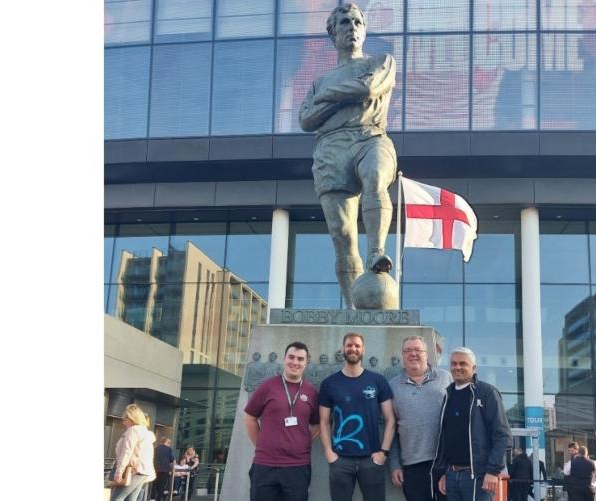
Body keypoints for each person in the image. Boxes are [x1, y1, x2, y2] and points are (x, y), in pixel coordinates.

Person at [299, 2, 399, 308]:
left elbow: (369, 88)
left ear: (365, 29)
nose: (352, 27)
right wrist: (340, 93)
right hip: (330, 148)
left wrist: (329, 98)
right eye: (344, 22)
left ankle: (376, 252)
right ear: (333, 33)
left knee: (375, 176)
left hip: (369, 136)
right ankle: (352, 308)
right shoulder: (318, 82)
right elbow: (306, 119)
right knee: (342, 236)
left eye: (357, 22)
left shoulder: (381, 61)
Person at [318, 332, 396, 501]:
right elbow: (324, 422)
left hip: (372, 459)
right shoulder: (329, 383)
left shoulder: (378, 381)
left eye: (357, 346)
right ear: (343, 349)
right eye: (349, 345)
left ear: (363, 350)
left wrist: (383, 452)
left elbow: (390, 419)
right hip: (340, 460)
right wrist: (328, 452)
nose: (353, 348)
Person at [244, 341, 320, 501]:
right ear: (284, 359)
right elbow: (250, 417)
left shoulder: (311, 392)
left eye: (300, 359)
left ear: (306, 363)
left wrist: (302, 441)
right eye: (291, 357)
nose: (295, 362)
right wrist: (262, 443)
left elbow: (317, 424)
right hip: (265, 465)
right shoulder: (267, 386)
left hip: (297, 466)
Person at [434, 347, 511, 501]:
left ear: (473, 368)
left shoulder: (487, 393)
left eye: (463, 363)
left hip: (478, 476)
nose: (457, 367)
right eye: (454, 364)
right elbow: (445, 437)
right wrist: (443, 472)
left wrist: (492, 471)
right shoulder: (448, 395)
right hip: (451, 474)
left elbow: (502, 435)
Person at [387, 335, 452, 501]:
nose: (412, 354)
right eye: (408, 351)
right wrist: (394, 464)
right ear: (402, 355)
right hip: (412, 465)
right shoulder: (393, 386)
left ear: (427, 354)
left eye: (417, 350)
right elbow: (391, 429)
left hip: (445, 462)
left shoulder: (446, 379)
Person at [111, 403, 157, 501]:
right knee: (130, 499)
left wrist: (119, 471)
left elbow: (127, 451)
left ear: (132, 418)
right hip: (142, 471)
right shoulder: (146, 433)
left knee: (116, 498)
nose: (123, 422)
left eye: (125, 419)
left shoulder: (133, 431)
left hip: (133, 471)